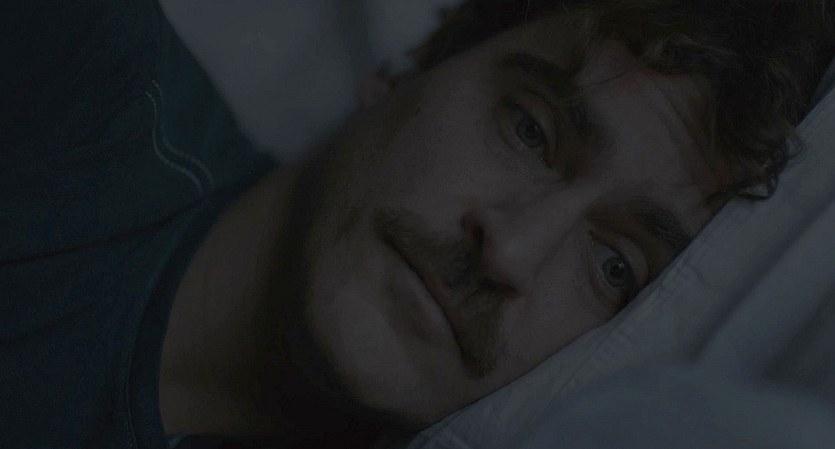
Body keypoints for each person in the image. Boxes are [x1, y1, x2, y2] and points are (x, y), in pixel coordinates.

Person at [1, 0, 832, 448]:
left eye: (614, 265)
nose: (510, 249)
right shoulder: (68, 70)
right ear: (407, 68)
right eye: (529, 130)